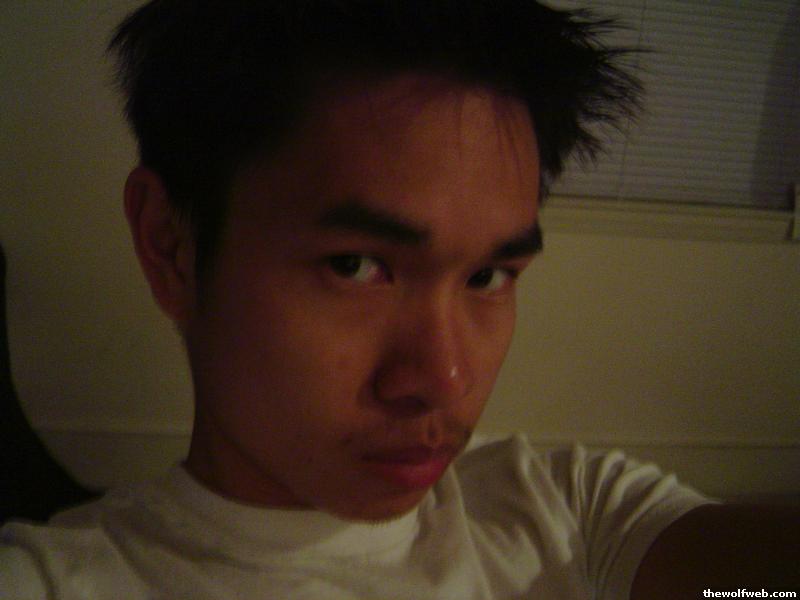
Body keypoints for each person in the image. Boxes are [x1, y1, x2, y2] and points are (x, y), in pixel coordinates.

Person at [1, 1, 797, 598]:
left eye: (488, 276)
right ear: (169, 245)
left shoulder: (564, 516)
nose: (444, 378)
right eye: (356, 266)